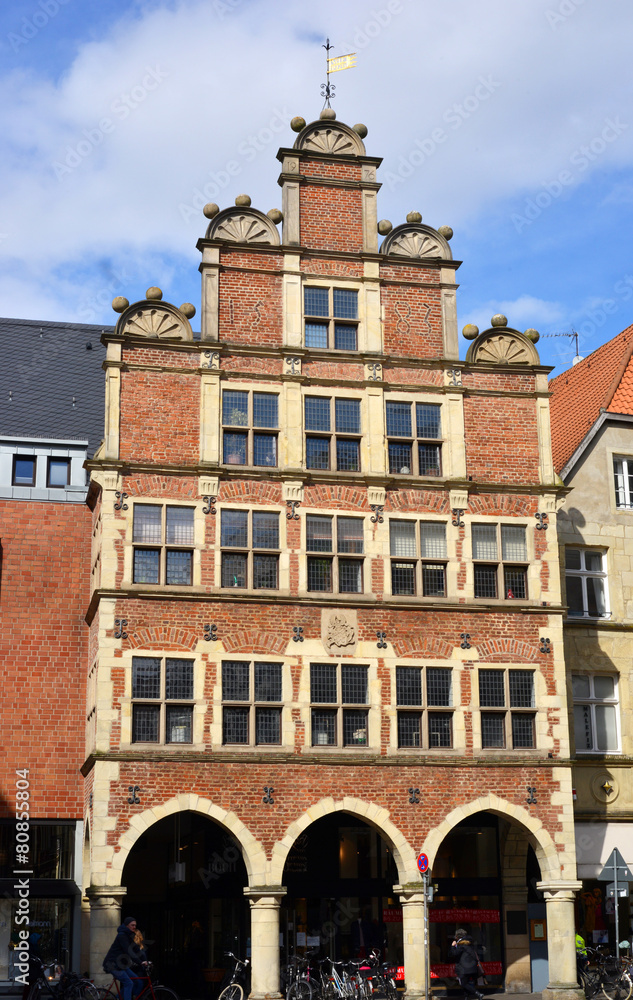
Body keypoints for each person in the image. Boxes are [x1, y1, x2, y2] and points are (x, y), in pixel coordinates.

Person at [103, 917, 147, 1000]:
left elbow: (136, 949)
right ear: (127, 925)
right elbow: (129, 951)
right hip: (112, 965)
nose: (134, 927)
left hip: (121, 965)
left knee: (137, 980)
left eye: (135, 925)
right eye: (132, 925)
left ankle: (118, 998)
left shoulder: (128, 935)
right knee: (128, 983)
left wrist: (145, 960)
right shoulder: (122, 936)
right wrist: (140, 962)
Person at [450, 928, 484, 1000]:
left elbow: (454, 953)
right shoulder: (469, 942)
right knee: (467, 983)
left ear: (457, 936)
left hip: (464, 968)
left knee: (463, 983)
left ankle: (478, 993)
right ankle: (466, 997)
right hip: (472, 967)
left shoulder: (461, 944)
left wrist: (453, 946)